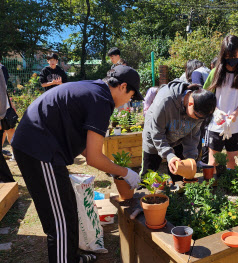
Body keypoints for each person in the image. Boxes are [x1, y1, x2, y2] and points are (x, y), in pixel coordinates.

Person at [11, 65, 143, 263]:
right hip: (38, 149)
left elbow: (87, 149)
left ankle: (70, 257)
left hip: (40, 145)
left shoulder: (95, 90)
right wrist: (126, 173)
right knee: (60, 221)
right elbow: (93, 158)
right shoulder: (102, 100)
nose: (128, 103)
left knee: (68, 209)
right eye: (131, 96)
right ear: (123, 86)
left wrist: (112, 168)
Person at [140, 81, 216, 182]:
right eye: (196, 116)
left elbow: (193, 136)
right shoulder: (165, 101)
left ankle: (177, 195)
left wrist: (191, 158)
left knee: (178, 176)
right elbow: (157, 133)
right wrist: (169, 155)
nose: (197, 120)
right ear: (190, 103)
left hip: (178, 139)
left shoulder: (201, 108)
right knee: (147, 177)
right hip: (154, 139)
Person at [203, 35, 238, 169]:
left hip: (234, 124)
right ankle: (211, 186)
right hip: (216, 123)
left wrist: (235, 113)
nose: (231, 59)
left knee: (232, 161)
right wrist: (216, 111)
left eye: (234, 56)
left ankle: (229, 186)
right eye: (227, 56)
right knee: (213, 161)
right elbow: (207, 98)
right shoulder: (215, 73)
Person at [0, 63, 14, 183]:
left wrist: (0, 117)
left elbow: (2, 93)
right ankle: (7, 180)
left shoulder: (1, 68)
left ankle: (7, 181)